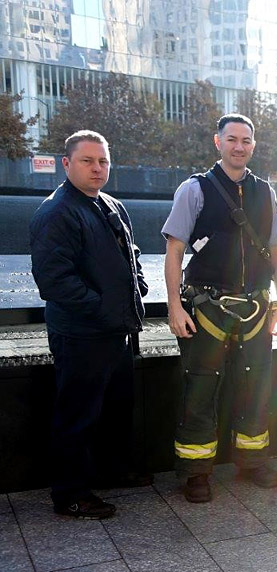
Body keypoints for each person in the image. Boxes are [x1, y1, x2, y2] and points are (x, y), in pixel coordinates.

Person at [162, 114, 277, 503]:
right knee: (201, 387)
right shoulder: (193, 189)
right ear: (217, 143)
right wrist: (173, 307)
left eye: (246, 140)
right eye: (232, 139)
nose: (239, 146)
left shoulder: (265, 192)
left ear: (253, 145)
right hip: (206, 308)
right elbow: (174, 251)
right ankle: (196, 472)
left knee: (256, 386)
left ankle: (253, 461)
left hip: (255, 306)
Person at [30, 130, 150, 519]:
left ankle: (111, 471)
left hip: (115, 331)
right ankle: (71, 494)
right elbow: (55, 281)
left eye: (103, 161)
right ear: (66, 164)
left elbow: (128, 251)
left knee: (115, 407)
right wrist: (102, 308)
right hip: (82, 335)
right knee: (77, 415)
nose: (97, 168)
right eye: (87, 161)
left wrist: (138, 285)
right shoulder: (56, 212)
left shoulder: (110, 203)